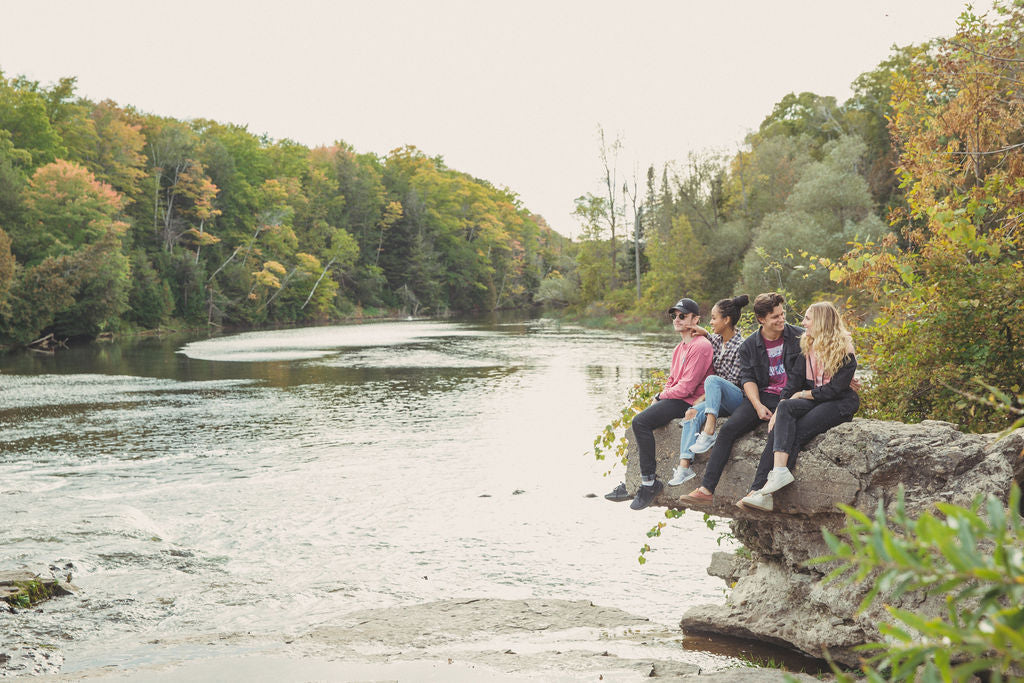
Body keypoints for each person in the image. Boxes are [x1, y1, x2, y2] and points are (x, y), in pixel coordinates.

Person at [679, 292, 803, 505]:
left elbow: (827, 352)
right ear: (761, 319)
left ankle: (757, 492)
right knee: (727, 430)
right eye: (775, 317)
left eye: (782, 314)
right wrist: (757, 405)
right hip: (761, 396)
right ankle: (706, 489)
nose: (782, 319)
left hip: (791, 397)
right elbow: (748, 379)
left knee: (775, 432)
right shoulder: (750, 345)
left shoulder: (799, 337)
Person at [738, 301, 860, 511]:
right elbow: (793, 380)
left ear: (821, 321)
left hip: (840, 402)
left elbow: (834, 390)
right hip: (817, 396)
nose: (803, 323)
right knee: (782, 417)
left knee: (795, 432)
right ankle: (772, 480)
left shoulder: (844, 349)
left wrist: (802, 394)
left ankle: (764, 492)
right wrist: (780, 408)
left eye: (808, 319)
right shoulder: (808, 344)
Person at [626, 297, 714, 510]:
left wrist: (661, 396)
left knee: (641, 422)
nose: (677, 319)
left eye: (683, 316)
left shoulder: (701, 346)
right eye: (675, 315)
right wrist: (662, 395)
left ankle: (649, 483)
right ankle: (633, 480)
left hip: (689, 402)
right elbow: (672, 381)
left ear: (696, 319)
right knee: (640, 421)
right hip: (677, 397)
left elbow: (686, 388)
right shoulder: (679, 348)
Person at [668, 295, 749, 487]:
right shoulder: (715, 341)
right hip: (717, 400)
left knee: (712, 380)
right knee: (691, 413)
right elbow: (709, 337)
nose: (711, 322)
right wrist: (703, 332)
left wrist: (704, 395)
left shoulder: (742, 346)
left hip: (736, 399)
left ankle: (710, 430)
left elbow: (735, 381)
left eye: (714, 318)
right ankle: (684, 467)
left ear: (726, 320)